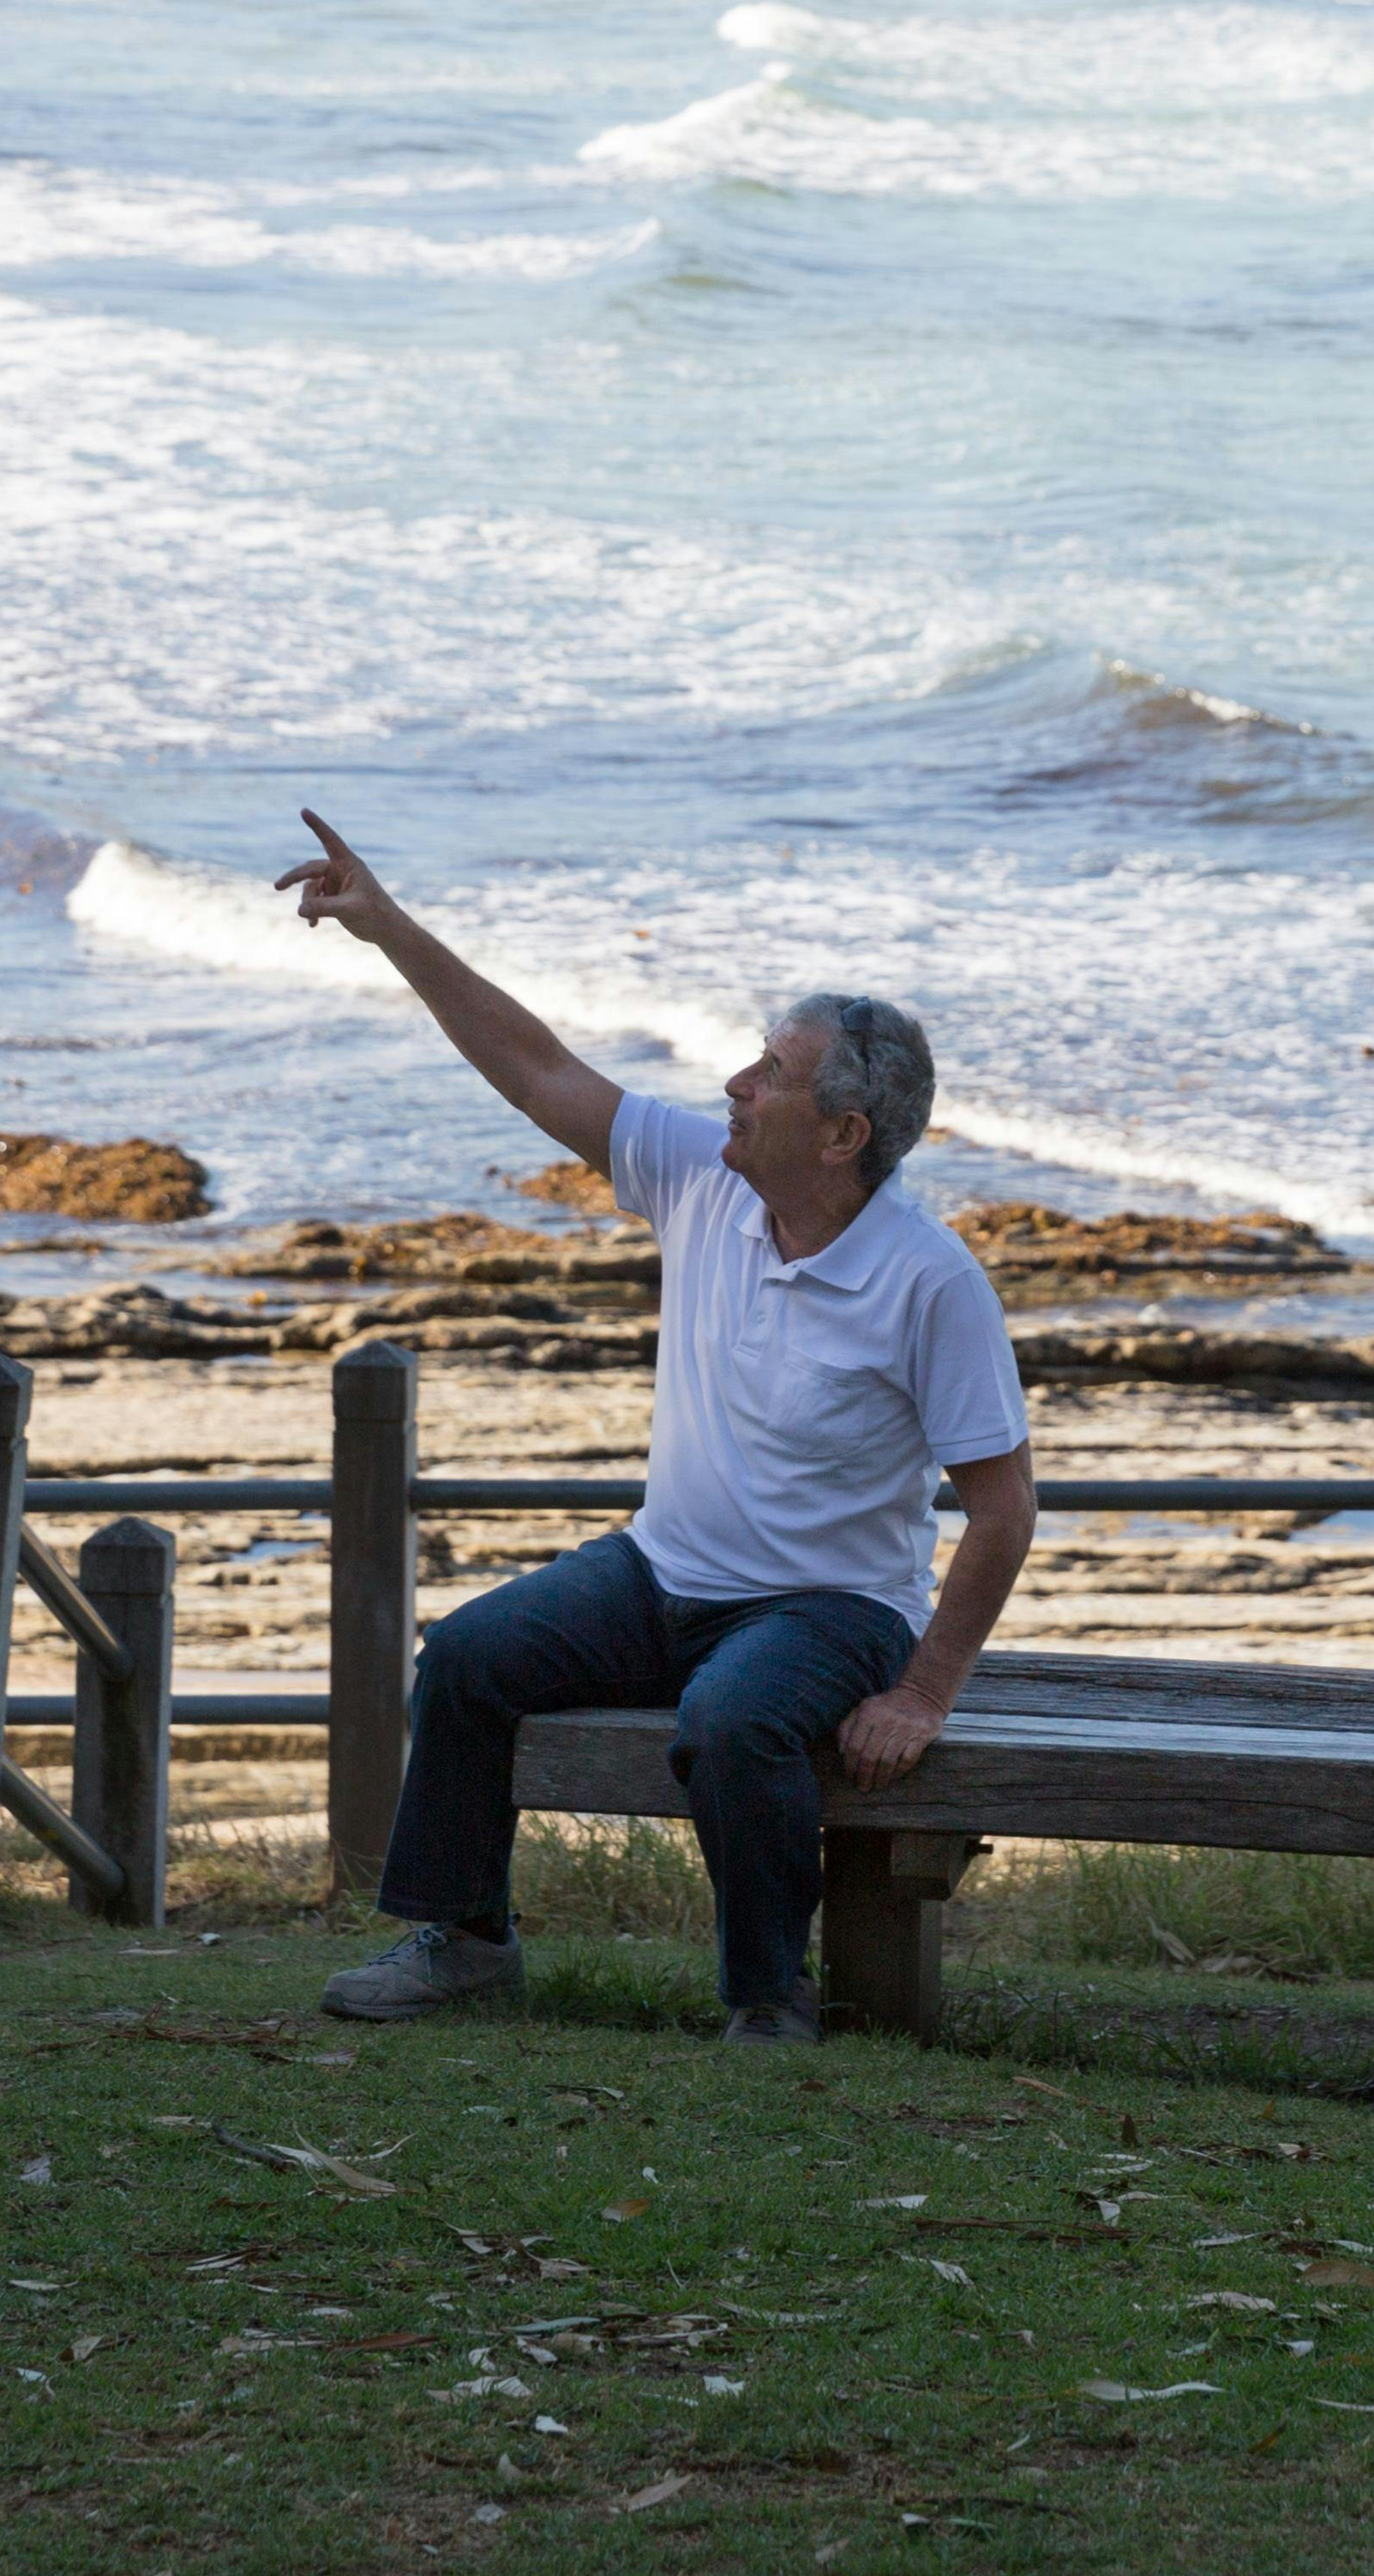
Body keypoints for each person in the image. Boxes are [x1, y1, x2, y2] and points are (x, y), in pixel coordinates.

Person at [273, 815, 1038, 2043]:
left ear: (843, 1135)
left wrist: (925, 1694)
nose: (736, 1086)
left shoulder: (929, 1279)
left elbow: (1003, 1510)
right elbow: (537, 1069)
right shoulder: (704, 1174)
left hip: (829, 1608)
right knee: (467, 1660)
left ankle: (768, 2000)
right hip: (660, 1570)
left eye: (771, 1075)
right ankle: (468, 1943)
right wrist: (386, 924)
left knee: (730, 1723)